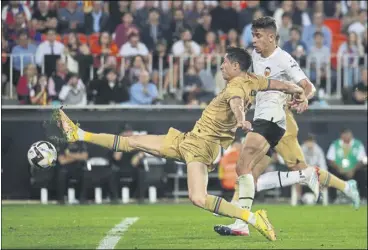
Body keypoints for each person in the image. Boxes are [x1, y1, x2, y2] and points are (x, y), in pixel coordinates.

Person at [56, 46, 307, 242]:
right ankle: (78, 134)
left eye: (224, 63)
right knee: (133, 142)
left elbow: (236, 103)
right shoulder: (253, 80)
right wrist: (296, 89)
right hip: (189, 140)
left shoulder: (237, 85)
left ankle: (252, 217)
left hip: (200, 147)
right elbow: (274, 83)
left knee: (198, 198)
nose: (221, 67)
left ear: (235, 65)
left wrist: (242, 119)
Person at [214, 16, 361, 237]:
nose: (253, 40)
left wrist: (304, 98)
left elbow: (307, 86)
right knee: (250, 173)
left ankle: (345, 187)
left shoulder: (284, 60)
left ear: (271, 37)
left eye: (258, 36)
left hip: (279, 121)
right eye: (253, 35)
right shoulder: (254, 56)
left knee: (293, 168)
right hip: (265, 119)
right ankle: (240, 217)